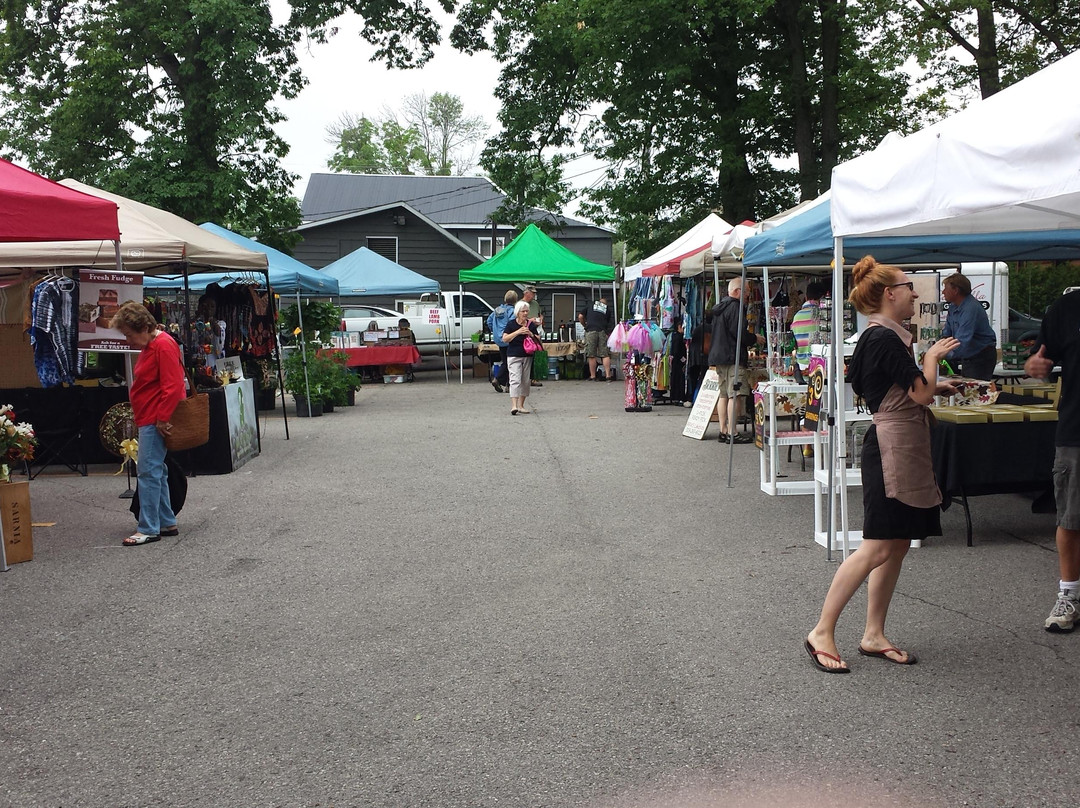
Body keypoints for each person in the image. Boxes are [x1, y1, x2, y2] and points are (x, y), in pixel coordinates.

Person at [805, 256, 959, 673]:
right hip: (892, 449)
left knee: (895, 545)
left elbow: (906, 389)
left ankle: (873, 634)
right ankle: (822, 630)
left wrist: (935, 380)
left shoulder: (885, 338)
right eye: (909, 286)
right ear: (889, 294)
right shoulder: (884, 339)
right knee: (877, 545)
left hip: (902, 445)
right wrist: (935, 358)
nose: (915, 292)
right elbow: (920, 393)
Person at [110, 301, 187, 547]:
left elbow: (173, 386)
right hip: (153, 416)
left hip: (155, 418)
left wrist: (163, 417)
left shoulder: (161, 345)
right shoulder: (157, 343)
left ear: (143, 327)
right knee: (157, 471)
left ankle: (148, 527)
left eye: (129, 334)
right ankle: (165, 521)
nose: (128, 341)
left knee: (148, 472)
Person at [1025, 290, 1080, 632]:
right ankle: (1069, 596)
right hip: (1077, 430)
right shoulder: (1067, 308)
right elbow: (1037, 359)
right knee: (1072, 518)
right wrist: (1035, 366)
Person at [707, 277, 764, 443]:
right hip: (732, 356)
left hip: (718, 356)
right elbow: (739, 334)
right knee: (735, 394)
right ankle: (733, 432)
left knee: (724, 394)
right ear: (737, 291)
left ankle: (723, 430)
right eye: (746, 292)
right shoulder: (736, 308)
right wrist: (754, 338)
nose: (748, 295)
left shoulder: (720, 307)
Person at [941, 272, 997, 380]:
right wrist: (939, 345)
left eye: (945, 288)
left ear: (956, 290)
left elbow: (962, 341)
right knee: (965, 389)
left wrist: (940, 354)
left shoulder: (970, 309)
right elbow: (947, 333)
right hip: (969, 355)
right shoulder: (953, 307)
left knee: (974, 390)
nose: (943, 292)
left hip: (980, 356)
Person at [502, 300, 542, 415]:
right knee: (515, 379)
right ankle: (514, 406)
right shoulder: (511, 324)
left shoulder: (531, 324)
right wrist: (518, 332)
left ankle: (521, 405)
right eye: (523, 311)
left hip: (528, 355)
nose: (525, 313)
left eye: (526, 311)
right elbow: (504, 339)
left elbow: (538, 339)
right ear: (517, 312)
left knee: (525, 381)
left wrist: (531, 334)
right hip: (513, 355)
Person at [791, 281, 827, 375]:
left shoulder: (797, 316)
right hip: (822, 364)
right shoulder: (824, 316)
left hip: (802, 365)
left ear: (806, 297)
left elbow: (794, 342)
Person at [486, 290, 518, 393]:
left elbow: (489, 321)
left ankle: (507, 384)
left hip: (499, 340)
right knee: (509, 362)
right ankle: (499, 379)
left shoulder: (497, 310)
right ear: (515, 300)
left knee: (505, 360)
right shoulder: (512, 311)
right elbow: (513, 324)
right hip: (509, 339)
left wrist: (494, 331)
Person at [583, 297, 615, 381]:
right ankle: (608, 376)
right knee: (605, 354)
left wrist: (585, 325)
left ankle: (593, 376)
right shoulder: (607, 309)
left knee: (591, 355)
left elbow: (580, 316)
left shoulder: (590, 305)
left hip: (591, 331)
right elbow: (608, 323)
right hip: (602, 331)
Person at [522, 286, 544, 387]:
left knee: (538, 353)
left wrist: (540, 319)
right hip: (526, 331)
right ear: (526, 293)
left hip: (537, 330)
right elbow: (519, 318)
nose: (534, 295)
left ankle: (536, 377)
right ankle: (527, 378)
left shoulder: (535, 303)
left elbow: (540, 313)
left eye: (534, 293)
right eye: (532, 293)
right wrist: (531, 320)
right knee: (528, 355)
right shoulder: (520, 304)